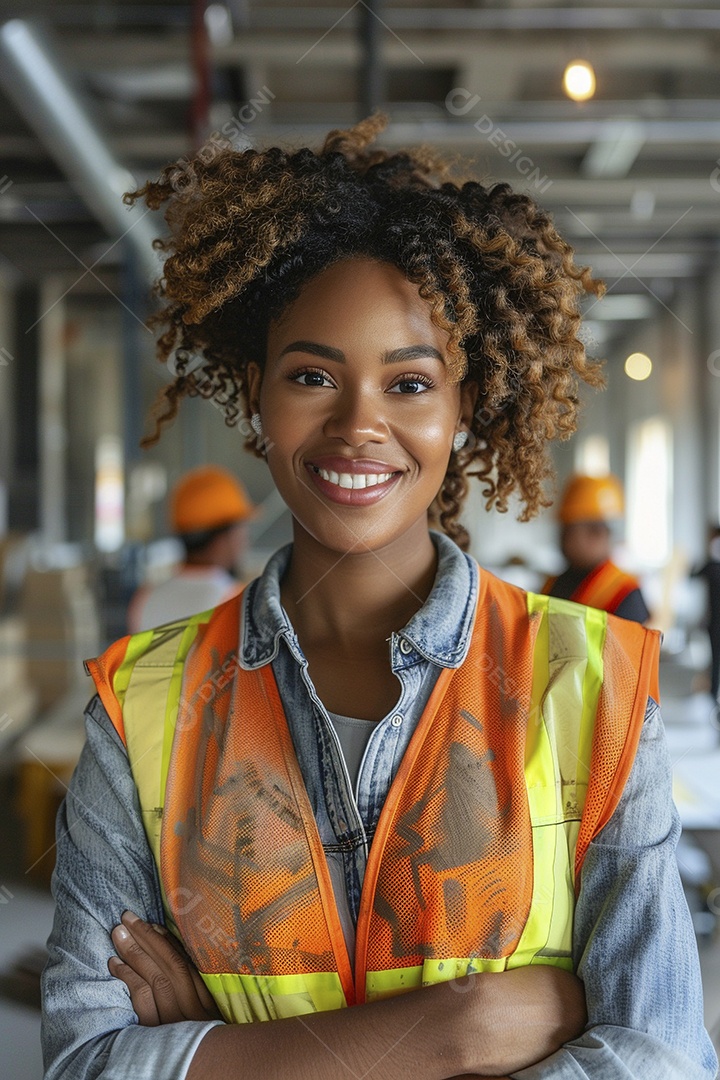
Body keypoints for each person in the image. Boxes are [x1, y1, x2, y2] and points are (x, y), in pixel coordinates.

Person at [41, 116, 716, 1080]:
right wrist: (458, 1031)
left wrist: (230, 1056)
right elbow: (84, 1062)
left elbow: (662, 1059)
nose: (359, 425)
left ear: (462, 408)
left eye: (409, 383)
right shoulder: (143, 706)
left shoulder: (593, 687)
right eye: (313, 375)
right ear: (257, 396)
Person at [127, 465, 258, 632]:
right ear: (222, 539)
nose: (245, 541)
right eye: (242, 530)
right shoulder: (240, 604)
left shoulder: (145, 600)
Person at [541, 473, 650, 624]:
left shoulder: (624, 592)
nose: (561, 538)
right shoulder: (553, 584)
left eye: (568, 530)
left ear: (597, 534)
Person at [692, 525, 720, 703]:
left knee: (715, 659)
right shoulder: (711, 565)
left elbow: (692, 574)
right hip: (714, 621)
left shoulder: (711, 565)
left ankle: (713, 694)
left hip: (715, 622)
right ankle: (713, 694)